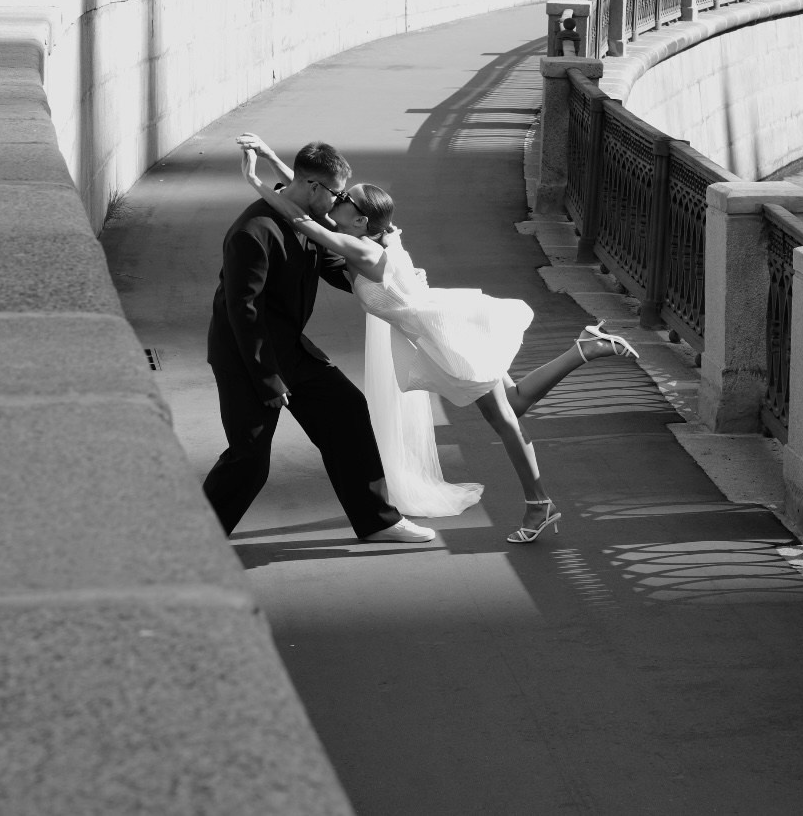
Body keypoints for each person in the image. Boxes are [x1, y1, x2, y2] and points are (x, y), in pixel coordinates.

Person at [237, 134, 639, 544]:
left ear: (359, 220)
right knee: (511, 403)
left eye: (344, 199)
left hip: (445, 333)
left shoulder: (363, 252)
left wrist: (253, 180)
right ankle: (583, 351)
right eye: (338, 195)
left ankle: (540, 501)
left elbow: (302, 215)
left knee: (505, 417)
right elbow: (309, 193)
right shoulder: (369, 234)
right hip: (440, 322)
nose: (335, 200)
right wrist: (271, 155)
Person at [203, 140, 436, 544]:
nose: (339, 202)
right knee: (249, 461)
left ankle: (379, 520)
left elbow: (338, 268)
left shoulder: (304, 219)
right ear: (313, 186)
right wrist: (268, 380)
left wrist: (398, 286)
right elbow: (243, 313)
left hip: (290, 348)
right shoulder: (253, 231)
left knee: (346, 412)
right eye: (336, 193)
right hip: (247, 359)